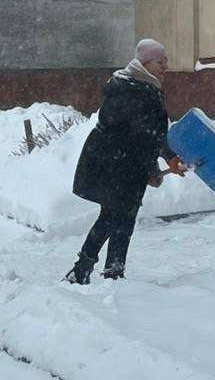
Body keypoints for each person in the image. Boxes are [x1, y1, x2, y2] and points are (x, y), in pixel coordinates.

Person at [65, 39, 186, 284]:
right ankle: (107, 272)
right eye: (160, 62)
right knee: (119, 216)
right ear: (145, 63)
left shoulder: (136, 85)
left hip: (118, 162)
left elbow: (149, 133)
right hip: (119, 164)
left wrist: (167, 158)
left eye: (166, 61)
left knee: (114, 215)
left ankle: (88, 269)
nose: (165, 66)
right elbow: (145, 134)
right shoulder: (135, 90)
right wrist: (159, 161)